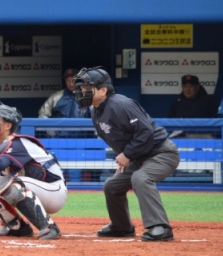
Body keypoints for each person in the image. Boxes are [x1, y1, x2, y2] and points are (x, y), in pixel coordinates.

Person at [72, 67, 180, 241]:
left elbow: (145, 132)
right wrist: (126, 158)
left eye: (86, 87)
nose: (82, 91)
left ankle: (160, 227)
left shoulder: (121, 104)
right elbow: (116, 138)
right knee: (112, 186)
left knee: (141, 178)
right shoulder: (95, 111)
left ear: (103, 90)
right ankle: (121, 227)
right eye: (82, 87)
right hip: (138, 157)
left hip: (161, 152)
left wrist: (127, 155)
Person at [0, 100, 66, 239]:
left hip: (53, 191)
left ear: (8, 125)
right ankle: (17, 226)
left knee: (12, 184)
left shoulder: (18, 143)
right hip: (32, 188)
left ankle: (50, 227)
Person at [39, 68, 92, 182]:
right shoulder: (56, 96)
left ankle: (76, 193)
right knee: (57, 171)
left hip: (79, 141)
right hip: (59, 140)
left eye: (73, 80)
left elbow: (97, 116)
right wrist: (52, 132)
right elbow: (43, 114)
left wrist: (93, 135)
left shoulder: (87, 97)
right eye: (68, 80)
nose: (70, 83)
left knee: (75, 172)